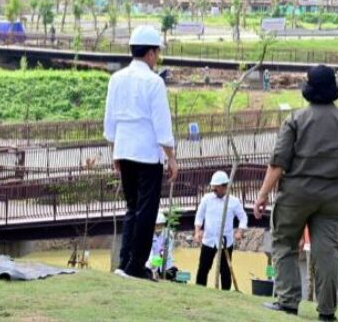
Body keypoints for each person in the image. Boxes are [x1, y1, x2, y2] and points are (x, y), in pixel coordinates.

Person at [253, 64, 338, 321]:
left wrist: (262, 195)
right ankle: (327, 311)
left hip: (296, 194)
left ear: (308, 88)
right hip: (335, 197)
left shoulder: (296, 120)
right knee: (326, 251)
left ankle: (287, 302)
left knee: (284, 242)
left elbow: (278, 163)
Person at [104, 25, 178, 281]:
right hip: (147, 153)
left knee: (132, 207)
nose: (156, 58)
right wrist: (171, 157)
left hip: (124, 150)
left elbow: (109, 120)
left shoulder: (117, 78)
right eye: (157, 53)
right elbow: (162, 124)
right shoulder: (154, 82)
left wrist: (115, 151)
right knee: (146, 210)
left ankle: (125, 261)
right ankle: (136, 265)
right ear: (150, 53)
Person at [194, 171, 248, 290]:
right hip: (209, 240)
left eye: (216, 187)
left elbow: (243, 217)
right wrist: (197, 231)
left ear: (224, 186)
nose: (214, 189)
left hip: (226, 241)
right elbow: (199, 216)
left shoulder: (233, 201)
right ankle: (199, 290)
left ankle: (225, 293)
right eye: (213, 187)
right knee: (203, 267)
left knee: (225, 270)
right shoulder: (206, 199)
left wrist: (240, 231)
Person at [146, 212, 178, 281]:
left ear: (163, 224)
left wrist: (160, 258)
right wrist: (153, 267)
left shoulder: (168, 234)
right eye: (156, 225)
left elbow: (167, 250)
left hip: (166, 262)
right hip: (151, 263)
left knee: (175, 273)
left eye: (160, 225)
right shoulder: (148, 234)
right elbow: (149, 252)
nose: (158, 227)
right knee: (149, 274)